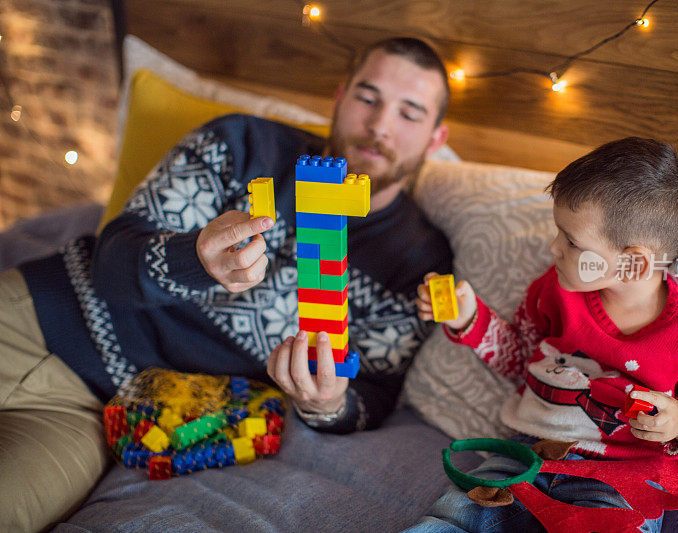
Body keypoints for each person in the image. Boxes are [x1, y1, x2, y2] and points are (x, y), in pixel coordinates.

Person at [0, 37, 452, 531]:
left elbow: (375, 394)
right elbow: (112, 261)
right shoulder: (241, 147)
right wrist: (194, 257)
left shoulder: (415, 261)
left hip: (99, 419)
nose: (379, 125)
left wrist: (327, 403)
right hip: (35, 319)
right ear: (340, 98)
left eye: (409, 114)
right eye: (368, 97)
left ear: (435, 137)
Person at [411, 138, 678, 532]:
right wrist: (468, 318)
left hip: (622, 478)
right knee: (450, 518)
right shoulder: (553, 291)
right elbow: (521, 361)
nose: (553, 247)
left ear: (634, 263)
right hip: (527, 452)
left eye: (571, 242)